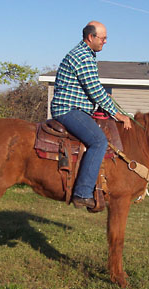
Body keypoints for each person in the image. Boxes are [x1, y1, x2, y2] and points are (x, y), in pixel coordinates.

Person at [50, 21, 131, 209]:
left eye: (106, 38)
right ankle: (83, 192)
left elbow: (89, 89)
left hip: (76, 107)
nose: (105, 42)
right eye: (102, 38)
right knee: (99, 141)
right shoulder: (83, 57)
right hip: (68, 109)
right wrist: (116, 114)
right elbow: (94, 89)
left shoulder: (86, 55)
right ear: (90, 37)